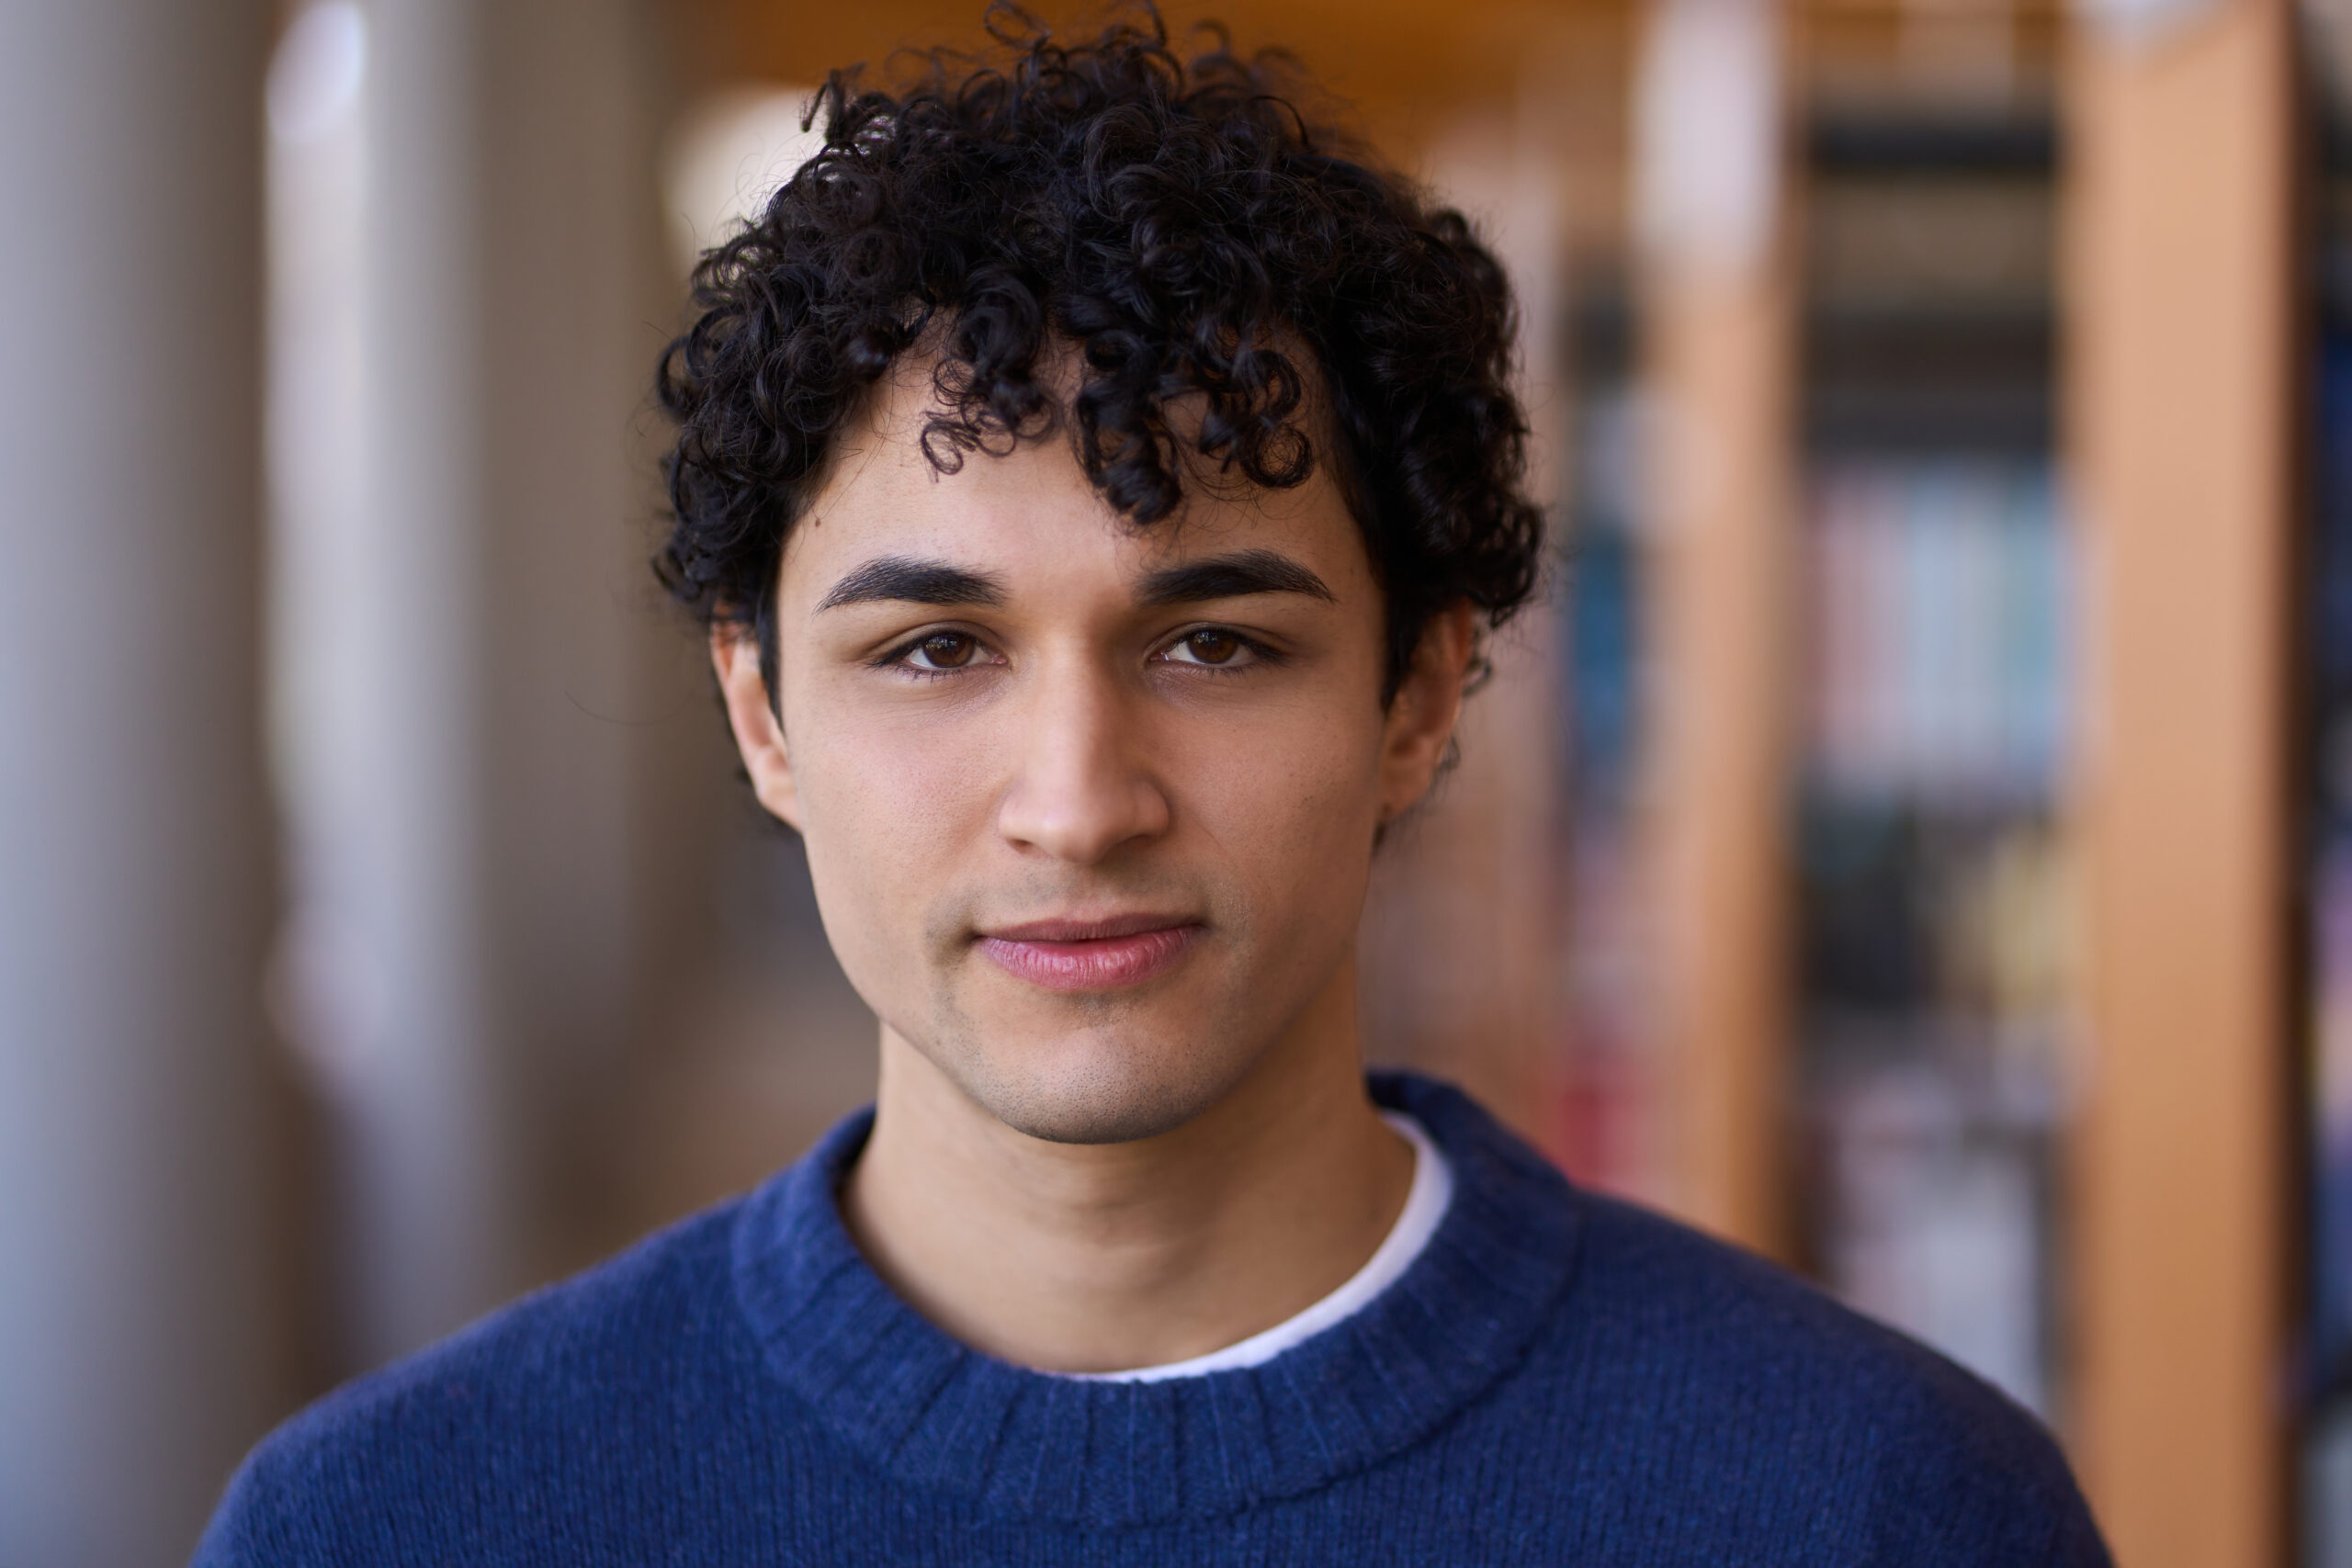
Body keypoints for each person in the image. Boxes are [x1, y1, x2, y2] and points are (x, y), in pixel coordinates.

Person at [197, 7, 2111, 1562]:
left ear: (1421, 694)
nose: (1076, 797)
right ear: (763, 717)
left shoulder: (1876, 1506)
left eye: (1212, 641)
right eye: (933, 648)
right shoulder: (390, 1522)